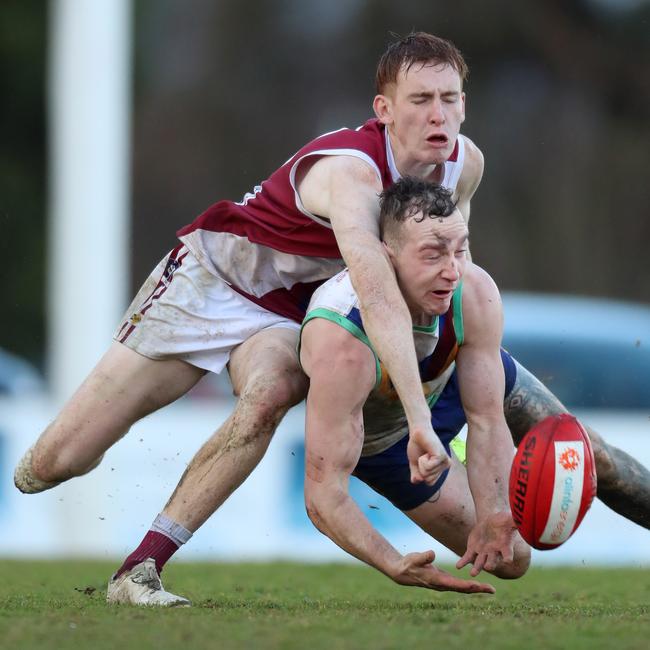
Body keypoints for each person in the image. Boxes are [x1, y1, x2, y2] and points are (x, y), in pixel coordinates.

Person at [14, 32, 650, 606]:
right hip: (216, 284)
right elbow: (376, 295)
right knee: (54, 465)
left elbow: (447, 269)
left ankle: (140, 572)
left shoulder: (466, 164)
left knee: (271, 397)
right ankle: (74, 456)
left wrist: (458, 364)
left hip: (302, 314)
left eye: (451, 99)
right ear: (383, 110)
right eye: (421, 98)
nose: (439, 115)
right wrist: (424, 420)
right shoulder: (351, 175)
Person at [300, 177, 531, 594]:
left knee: (513, 544)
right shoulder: (342, 342)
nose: (452, 271)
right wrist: (393, 563)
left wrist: (495, 511)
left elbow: (487, 417)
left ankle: (457, 452)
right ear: (387, 258)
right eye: (432, 254)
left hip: (444, 395)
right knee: (512, 561)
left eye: (459, 249)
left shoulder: (473, 291)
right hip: (384, 444)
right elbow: (323, 493)